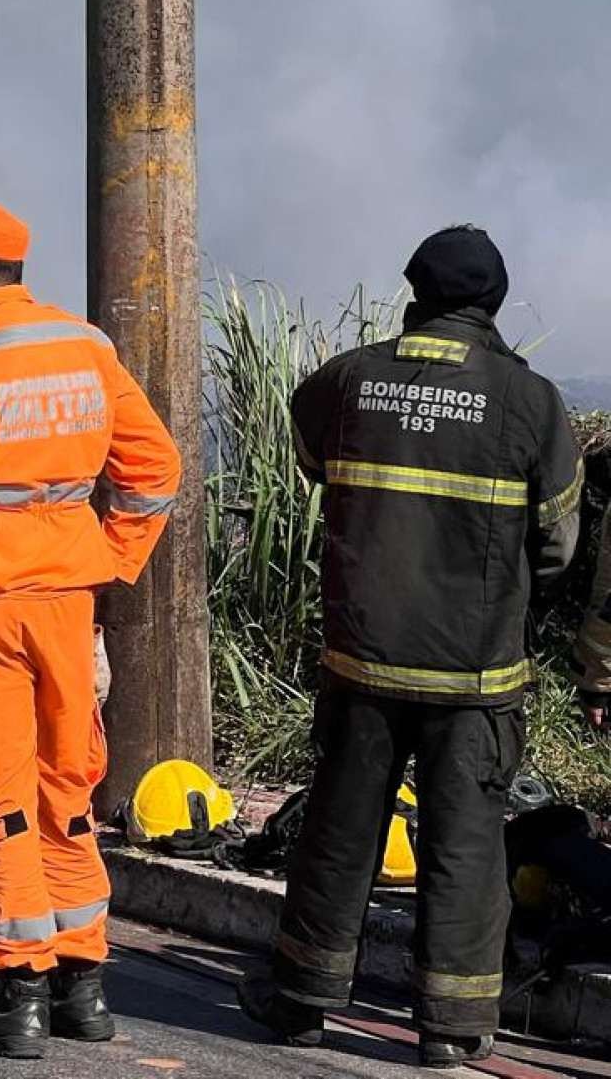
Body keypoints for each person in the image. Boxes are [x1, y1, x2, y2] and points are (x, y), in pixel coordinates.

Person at [239, 225, 582, 1070]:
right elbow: (558, 545)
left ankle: (303, 998)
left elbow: (313, 454)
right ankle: (451, 1027)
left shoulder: (348, 380)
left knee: (340, 826)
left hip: (364, 660)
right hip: (475, 672)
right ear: (493, 304)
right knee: (465, 840)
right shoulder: (531, 402)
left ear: (414, 294)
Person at [0, 195, 182, 1058]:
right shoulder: (85, 345)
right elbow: (155, 468)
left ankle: (18, 990)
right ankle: (82, 985)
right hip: (69, 598)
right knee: (67, 790)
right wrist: (112, 556)